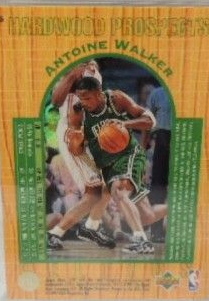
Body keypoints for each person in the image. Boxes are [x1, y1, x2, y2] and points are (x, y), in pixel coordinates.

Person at [70, 76, 167, 254]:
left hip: (128, 155)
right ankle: (181, 208)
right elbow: (76, 149)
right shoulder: (79, 112)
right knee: (147, 215)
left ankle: (142, 241)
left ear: (99, 94)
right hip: (107, 164)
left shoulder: (116, 99)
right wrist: (77, 140)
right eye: (80, 98)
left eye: (87, 98)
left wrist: (124, 123)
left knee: (119, 191)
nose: (83, 102)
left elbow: (150, 121)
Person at [46, 61, 115, 250]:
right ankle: (55, 234)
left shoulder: (93, 75)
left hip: (87, 134)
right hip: (73, 136)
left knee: (108, 185)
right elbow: (55, 101)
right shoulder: (72, 77)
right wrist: (72, 74)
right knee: (94, 192)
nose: (92, 67)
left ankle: (90, 227)